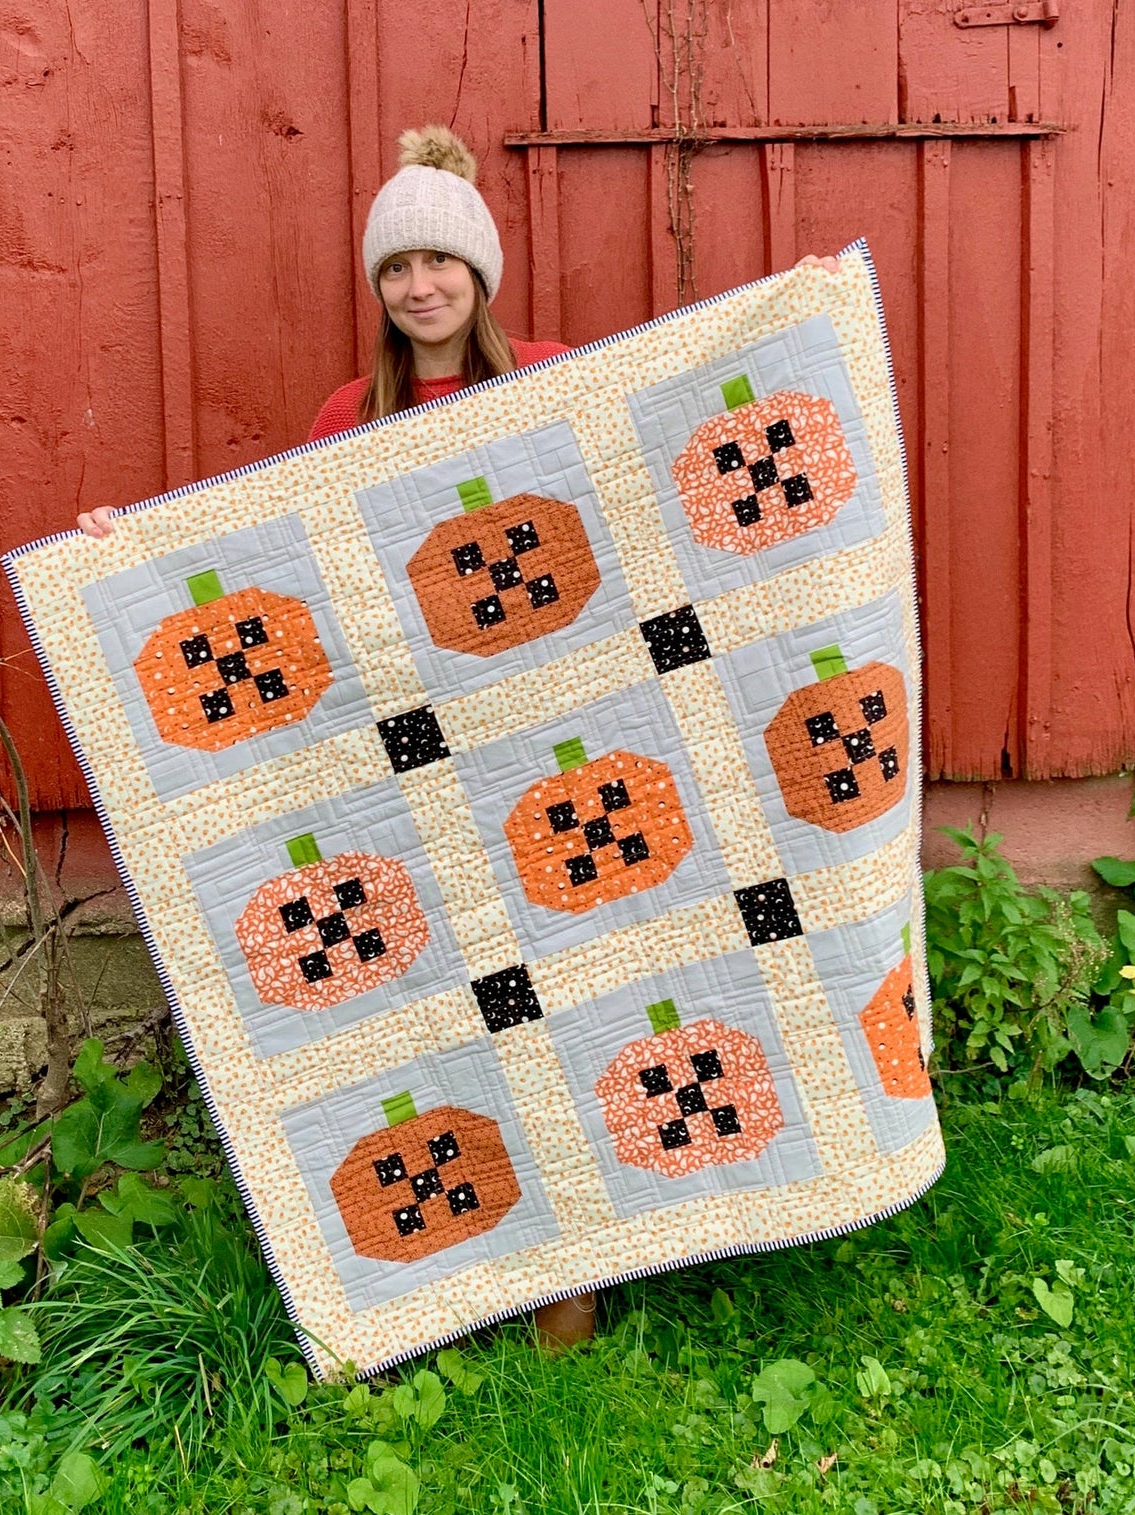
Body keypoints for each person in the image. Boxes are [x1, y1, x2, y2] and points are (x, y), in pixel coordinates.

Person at [77, 122, 838, 1354]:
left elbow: (648, 459)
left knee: (602, 980)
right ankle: (503, 1246)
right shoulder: (350, 412)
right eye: (394, 269)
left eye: (437, 263)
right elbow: (285, 573)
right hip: (421, 765)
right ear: (376, 291)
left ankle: (592, 1251)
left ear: (478, 274)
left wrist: (790, 324)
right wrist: (129, 559)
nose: (417, 287)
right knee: (472, 1000)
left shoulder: (547, 378)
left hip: (565, 739)